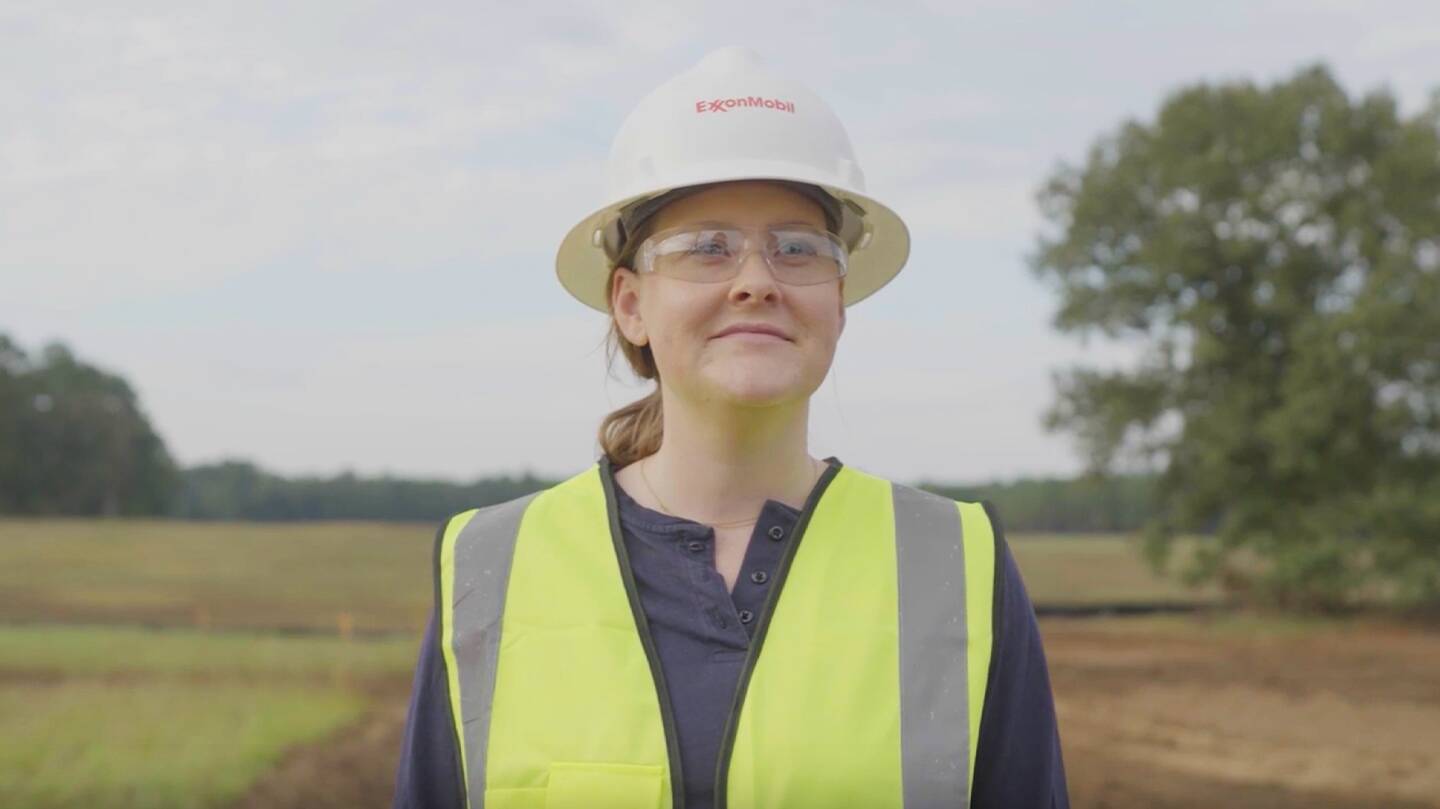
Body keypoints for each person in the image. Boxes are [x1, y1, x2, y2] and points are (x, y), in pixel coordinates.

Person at [392, 47, 1068, 809]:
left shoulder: (956, 563)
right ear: (629, 303)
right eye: (706, 247)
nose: (756, 280)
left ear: (838, 300)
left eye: (798, 248)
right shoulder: (490, 567)